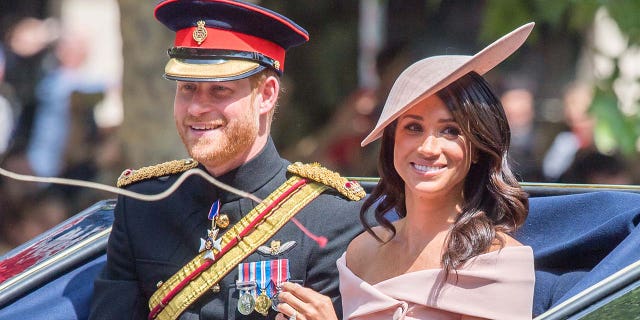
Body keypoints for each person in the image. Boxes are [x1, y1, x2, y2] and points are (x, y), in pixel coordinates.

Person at [89, 1, 366, 319]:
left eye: (219, 91)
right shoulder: (143, 204)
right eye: (188, 88)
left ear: (266, 95)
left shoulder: (332, 218)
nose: (196, 108)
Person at [274, 23, 536, 320]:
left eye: (450, 130)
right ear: (392, 141)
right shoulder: (361, 252)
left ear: (477, 147)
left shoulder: (499, 261)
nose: (428, 147)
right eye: (413, 127)